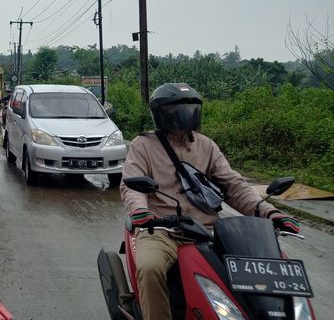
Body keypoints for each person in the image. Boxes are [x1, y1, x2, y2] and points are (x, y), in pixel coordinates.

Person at [121, 83, 301, 320]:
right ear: (161, 114)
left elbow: (234, 186)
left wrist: (271, 213)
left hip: (207, 230)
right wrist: (140, 211)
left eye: (191, 108)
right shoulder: (143, 145)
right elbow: (131, 185)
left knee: (265, 266)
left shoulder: (207, 146)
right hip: (162, 229)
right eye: (177, 109)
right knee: (150, 267)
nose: (186, 114)